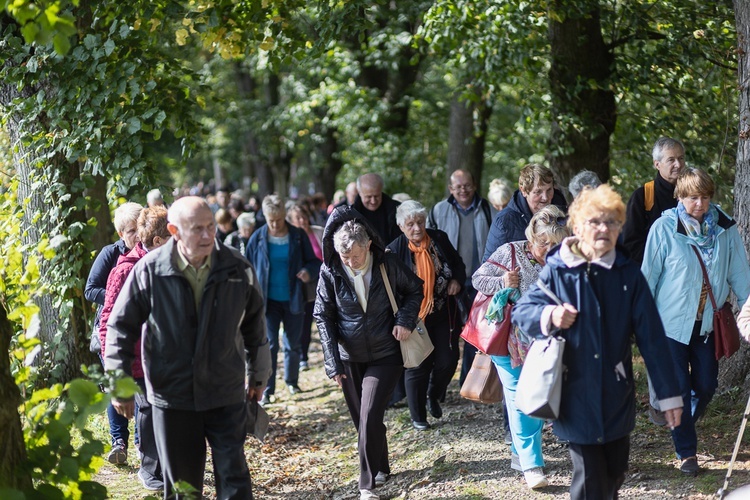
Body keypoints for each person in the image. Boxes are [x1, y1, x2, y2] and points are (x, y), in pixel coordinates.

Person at [512, 184, 683, 500]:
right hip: (574, 392)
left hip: (616, 393)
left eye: (611, 222)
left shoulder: (628, 274)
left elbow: (653, 339)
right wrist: (550, 315)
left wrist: (669, 396)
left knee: (614, 473)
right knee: (590, 481)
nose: (604, 229)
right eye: (595, 222)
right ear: (577, 227)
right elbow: (522, 312)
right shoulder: (559, 270)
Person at [105, 196, 271, 499]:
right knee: (183, 488)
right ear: (174, 230)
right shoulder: (149, 271)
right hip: (173, 396)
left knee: (235, 480)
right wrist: (120, 385)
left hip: (225, 390)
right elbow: (120, 328)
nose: (208, 235)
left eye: (210, 227)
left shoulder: (236, 266)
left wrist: (259, 376)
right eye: (197, 229)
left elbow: (255, 326)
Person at [641, 168, 750, 476]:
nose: (699, 204)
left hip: (706, 327)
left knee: (705, 385)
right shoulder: (664, 228)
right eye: (692, 198)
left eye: (704, 197)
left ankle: (679, 418)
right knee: (676, 387)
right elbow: (648, 278)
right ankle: (686, 452)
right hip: (669, 325)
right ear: (680, 197)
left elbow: (740, 275)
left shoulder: (725, 229)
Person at [314, 206, 423, 500]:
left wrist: (404, 321)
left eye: (356, 256)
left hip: (386, 352)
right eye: (345, 257)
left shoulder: (387, 262)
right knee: (363, 420)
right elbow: (322, 315)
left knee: (370, 413)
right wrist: (332, 361)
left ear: (367, 246)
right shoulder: (330, 270)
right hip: (349, 356)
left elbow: (415, 290)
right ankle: (382, 465)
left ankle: (366, 485)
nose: (350, 262)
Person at [471, 205, 569, 489]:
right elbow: (478, 278)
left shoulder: (562, 260)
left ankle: (521, 450)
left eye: (554, 244)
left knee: (538, 399)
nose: (548, 250)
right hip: (507, 340)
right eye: (543, 243)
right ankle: (532, 465)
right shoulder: (510, 251)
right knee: (520, 401)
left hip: (544, 341)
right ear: (532, 236)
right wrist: (502, 280)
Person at [99, 206, 170, 491]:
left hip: (167, 356)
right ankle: (150, 470)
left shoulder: (168, 263)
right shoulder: (126, 269)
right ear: (156, 241)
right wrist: (116, 371)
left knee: (164, 412)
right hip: (138, 360)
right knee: (149, 411)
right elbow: (108, 322)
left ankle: (167, 468)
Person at [621, 137, 687, 426]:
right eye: (671, 160)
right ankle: (660, 404)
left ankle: (682, 398)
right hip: (651, 285)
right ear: (657, 164)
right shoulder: (643, 196)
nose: (677, 164)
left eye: (681, 159)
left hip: (686, 286)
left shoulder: (692, 192)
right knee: (656, 342)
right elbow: (630, 243)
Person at [387, 200, 465, 430]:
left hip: (442, 312)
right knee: (417, 366)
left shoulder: (438, 240)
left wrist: (456, 281)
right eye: (410, 224)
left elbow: (458, 265)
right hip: (414, 318)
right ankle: (418, 416)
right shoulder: (394, 251)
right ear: (401, 227)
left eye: (420, 222)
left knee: (448, 361)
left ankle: (434, 393)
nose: (417, 228)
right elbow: (390, 290)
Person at [245, 195, 322, 405]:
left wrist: (307, 271)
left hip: (293, 298)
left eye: (278, 219)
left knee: (293, 343)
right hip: (267, 301)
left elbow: (314, 262)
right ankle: (268, 390)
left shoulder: (297, 235)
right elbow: (248, 267)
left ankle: (292, 381)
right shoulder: (258, 237)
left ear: (283, 216)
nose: (275, 224)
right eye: (271, 220)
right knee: (269, 346)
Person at [84, 201, 143, 465]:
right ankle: (119, 443)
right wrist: (118, 296)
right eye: (132, 231)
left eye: (140, 228)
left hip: (142, 334)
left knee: (141, 387)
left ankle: (144, 444)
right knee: (118, 384)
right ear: (121, 233)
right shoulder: (110, 254)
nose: (137, 236)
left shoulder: (151, 252)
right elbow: (90, 289)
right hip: (111, 330)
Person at [427, 169, 497, 389]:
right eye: (458, 187)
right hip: (448, 283)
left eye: (467, 185)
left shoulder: (488, 210)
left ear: (474, 185)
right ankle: (438, 381)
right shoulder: (439, 210)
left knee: (475, 330)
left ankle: (469, 379)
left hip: (480, 281)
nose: (463, 190)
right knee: (450, 330)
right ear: (451, 189)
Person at [482, 163, 568, 261]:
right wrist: (504, 277)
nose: (545, 197)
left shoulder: (564, 213)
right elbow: (487, 267)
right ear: (523, 191)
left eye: (549, 190)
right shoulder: (504, 221)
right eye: (538, 192)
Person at [286, 203, 325, 371]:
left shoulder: (318, 232)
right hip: (303, 286)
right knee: (305, 322)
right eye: (298, 218)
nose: (302, 221)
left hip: (323, 283)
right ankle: (302, 356)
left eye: (303, 216)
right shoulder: (291, 237)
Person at [352, 173, 401, 245]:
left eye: (376, 196)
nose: (373, 201)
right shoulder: (350, 214)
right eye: (368, 197)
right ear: (360, 193)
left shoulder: (398, 210)